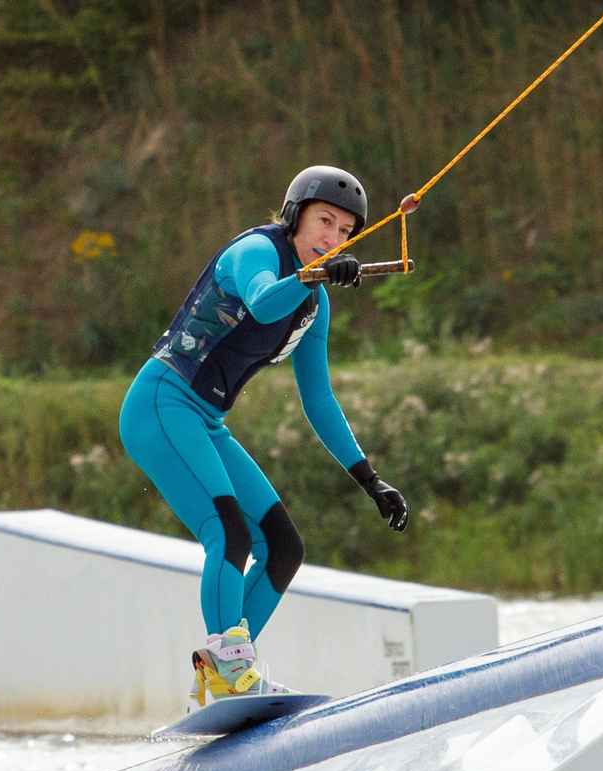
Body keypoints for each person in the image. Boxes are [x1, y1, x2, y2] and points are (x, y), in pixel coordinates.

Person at [120, 164, 412, 712]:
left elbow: (319, 400)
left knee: (282, 547)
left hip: (205, 420)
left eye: (346, 232)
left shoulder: (314, 303)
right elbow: (259, 301)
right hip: (162, 403)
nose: (333, 239)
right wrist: (311, 276)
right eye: (325, 221)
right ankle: (227, 673)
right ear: (296, 216)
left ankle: (229, 670)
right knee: (226, 532)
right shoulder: (256, 252)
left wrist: (370, 480)